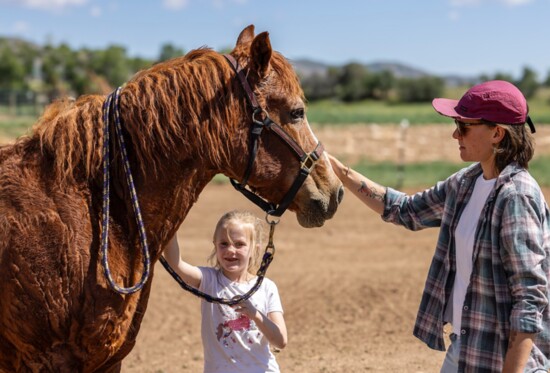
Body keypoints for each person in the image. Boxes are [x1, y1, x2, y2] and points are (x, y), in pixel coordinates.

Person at [328, 80, 549, 372]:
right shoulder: (465, 184)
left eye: (464, 125)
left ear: (497, 133)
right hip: (465, 347)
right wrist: (338, 170)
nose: (455, 133)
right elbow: (403, 210)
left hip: (502, 359)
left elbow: (530, 296)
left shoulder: (516, 196)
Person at [163, 210, 287, 373]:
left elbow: (280, 340)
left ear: (254, 249)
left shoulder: (266, 287)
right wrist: (170, 220)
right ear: (215, 244)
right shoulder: (209, 280)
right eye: (224, 244)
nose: (230, 250)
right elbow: (175, 264)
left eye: (239, 244)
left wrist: (255, 314)